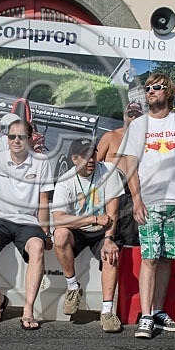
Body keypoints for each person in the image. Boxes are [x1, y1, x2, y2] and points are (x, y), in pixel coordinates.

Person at [121, 73, 175, 339]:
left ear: (168, 92)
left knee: (166, 259)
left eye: (156, 88)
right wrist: (136, 199)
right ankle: (145, 316)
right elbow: (129, 165)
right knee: (149, 258)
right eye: (147, 88)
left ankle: (158, 311)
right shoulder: (139, 126)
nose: (150, 92)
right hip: (150, 201)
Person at [0, 115, 54, 330]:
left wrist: (46, 234)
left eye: (22, 137)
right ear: (7, 138)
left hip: (28, 222)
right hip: (0, 218)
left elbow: (44, 201)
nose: (16, 140)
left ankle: (28, 308)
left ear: (30, 139)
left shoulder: (42, 162)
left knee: (37, 246)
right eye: (12, 136)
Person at [52, 138, 124, 333]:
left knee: (111, 254)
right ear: (75, 159)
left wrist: (109, 239)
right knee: (60, 235)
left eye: (93, 154)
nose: (91, 159)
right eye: (85, 156)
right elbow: (58, 219)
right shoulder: (65, 180)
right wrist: (91, 219)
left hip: (104, 230)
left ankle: (107, 312)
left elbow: (113, 212)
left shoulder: (108, 171)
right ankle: (73, 287)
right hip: (81, 228)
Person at [97, 100, 143, 247]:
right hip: (111, 192)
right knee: (112, 235)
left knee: (131, 237)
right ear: (124, 116)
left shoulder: (144, 140)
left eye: (137, 115)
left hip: (133, 194)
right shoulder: (110, 137)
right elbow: (95, 163)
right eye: (131, 115)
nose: (134, 118)